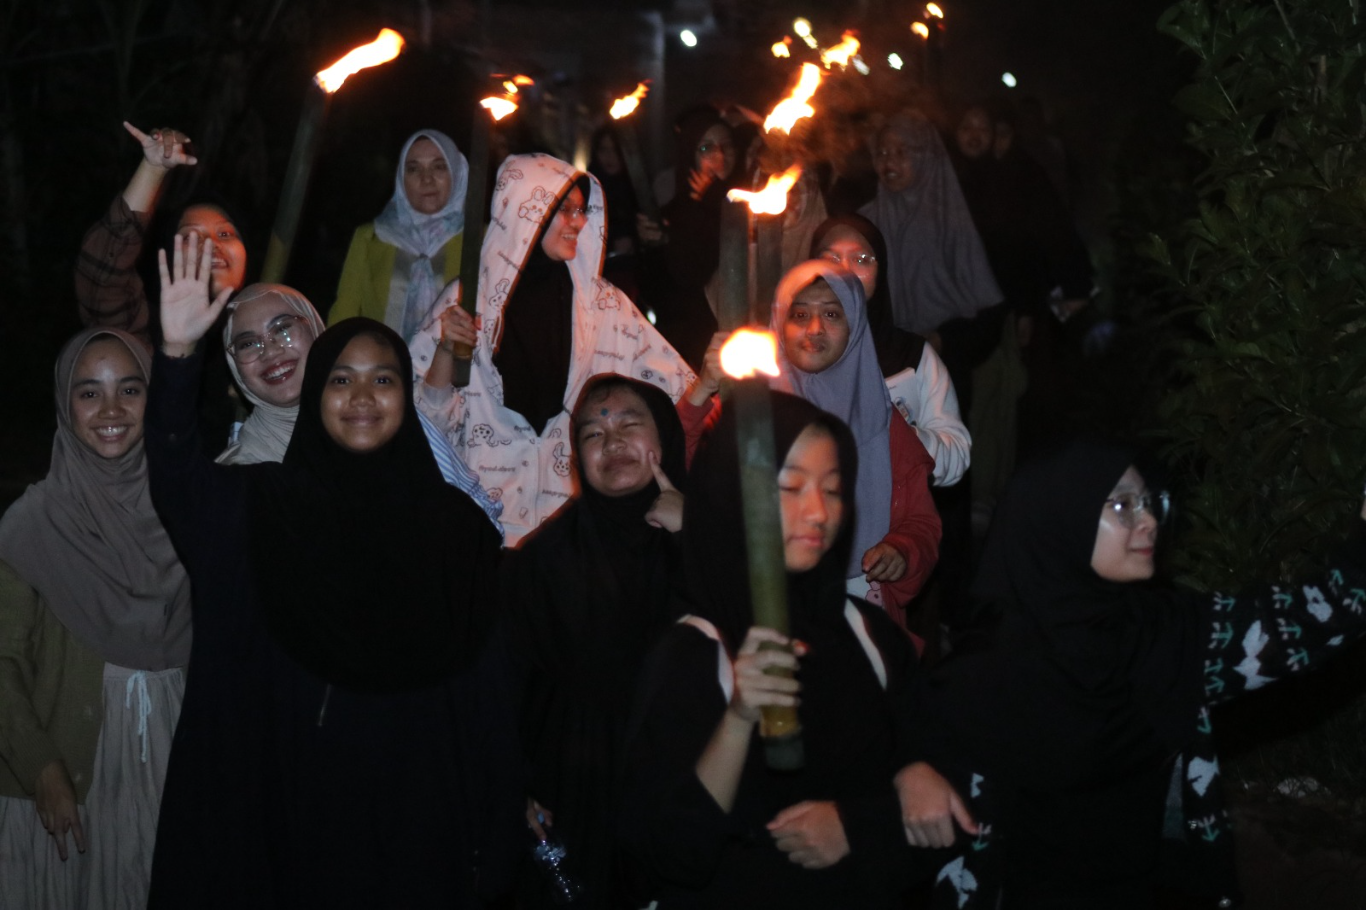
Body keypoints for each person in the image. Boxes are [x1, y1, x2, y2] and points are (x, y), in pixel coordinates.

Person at [143, 240, 519, 907]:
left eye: (384, 379)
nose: (362, 397)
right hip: (302, 804)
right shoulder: (266, 502)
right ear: (317, 395)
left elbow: (489, 694)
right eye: (341, 380)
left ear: (406, 394)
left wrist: (498, 820)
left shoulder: (455, 526)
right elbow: (178, 482)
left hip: (420, 810)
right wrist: (175, 357)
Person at [915, 439, 1366, 909]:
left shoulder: (1169, 633)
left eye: (1148, 502)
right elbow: (891, 771)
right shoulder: (978, 679)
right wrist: (910, 771)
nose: (1148, 519)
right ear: (1060, 518)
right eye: (1121, 505)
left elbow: (1317, 617)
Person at [618, 391, 967, 908]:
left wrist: (879, 808)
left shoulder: (868, 634)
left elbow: (948, 804)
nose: (819, 511)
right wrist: (740, 717)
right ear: (733, 495)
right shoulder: (694, 653)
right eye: (791, 487)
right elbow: (673, 853)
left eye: (833, 488)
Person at [0, 327, 190, 909]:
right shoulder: (31, 524)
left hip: (173, 756)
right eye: (89, 393)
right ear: (66, 404)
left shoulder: (190, 506)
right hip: (67, 769)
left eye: (130, 389)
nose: (111, 410)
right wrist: (41, 767)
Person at [416, 152, 693, 546]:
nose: (578, 222)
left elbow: (674, 396)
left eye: (581, 210)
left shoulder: (604, 307)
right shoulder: (466, 302)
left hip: (575, 536)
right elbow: (421, 422)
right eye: (564, 210)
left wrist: (718, 382)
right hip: (479, 530)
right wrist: (446, 352)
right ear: (527, 211)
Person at [502, 373, 687, 909]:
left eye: (630, 425)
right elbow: (508, 690)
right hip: (576, 800)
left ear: (665, 437)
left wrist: (693, 536)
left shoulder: (714, 540)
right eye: (593, 434)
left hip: (687, 791)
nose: (613, 443)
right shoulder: (542, 562)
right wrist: (514, 789)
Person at [678, 262, 940, 625]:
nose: (814, 329)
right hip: (760, 601)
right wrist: (702, 388)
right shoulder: (749, 407)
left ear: (856, 325)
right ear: (779, 322)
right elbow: (684, 466)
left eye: (832, 314)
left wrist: (902, 550)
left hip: (859, 607)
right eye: (800, 314)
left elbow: (922, 522)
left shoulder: (882, 421)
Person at [810, 213, 970, 488]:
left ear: (881, 271)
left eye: (861, 260)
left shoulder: (912, 355)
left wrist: (898, 432)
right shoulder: (793, 351)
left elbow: (956, 456)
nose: (844, 271)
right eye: (831, 258)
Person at [859, 112, 1003, 416]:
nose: (889, 161)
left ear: (925, 157)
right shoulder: (863, 223)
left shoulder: (954, 221)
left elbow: (987, 309)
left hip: (945, 371)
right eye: (882, 152)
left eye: (902, 152)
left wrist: (943, 339)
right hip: (879, 369)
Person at [330, 130, 468, 341]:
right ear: (401, 179)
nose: (427, 179)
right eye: (413, 169)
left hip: (456, 361)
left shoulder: (479, 239)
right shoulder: (371, 237)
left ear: (457, 173)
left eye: (439, 167)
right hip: (382, 359)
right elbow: (344, 313)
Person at [639, 105, 738, 367]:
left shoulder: (753, 204)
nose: (720, 156)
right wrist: (651, 245)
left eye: (727, 146)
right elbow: (678, 279)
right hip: (685, 349)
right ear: (689, 153)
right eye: (706, 148)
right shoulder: (671, 214)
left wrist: (715, 200)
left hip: (737, 341)